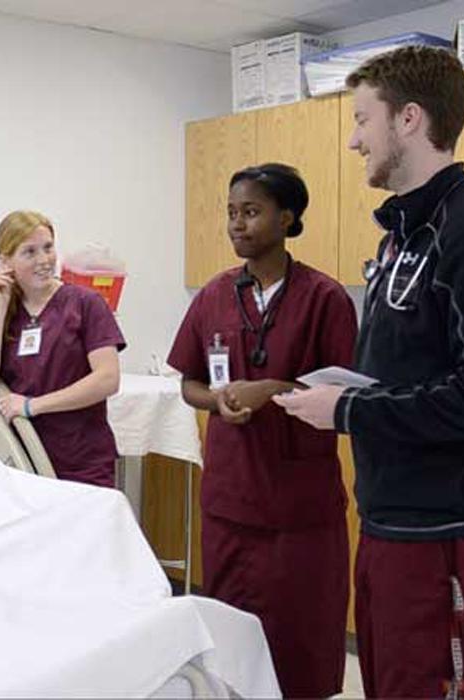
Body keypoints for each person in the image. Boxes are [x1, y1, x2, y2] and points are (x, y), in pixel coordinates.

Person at [275, 46, 464, 698]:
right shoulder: (401, 236)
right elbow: (409, 371)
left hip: (451, 535)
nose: (351, 140)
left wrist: (346, 412)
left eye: (362, 119)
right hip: (391, 522)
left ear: (408, 120)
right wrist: (346, 390)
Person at [167, 163, 357, 697]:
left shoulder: (325, 299)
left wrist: (272, 388)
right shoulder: (213, 296)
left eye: (251, 212)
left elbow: (347, 392)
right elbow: (190, 383)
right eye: (231, 213)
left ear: (287, 218)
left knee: (300, 637)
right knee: (230, 638)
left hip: (299, 507)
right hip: (231, 501)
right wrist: (220, 399)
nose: (237, 225)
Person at [0, 210, 125, 487]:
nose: (44, 260)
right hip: (19, 463)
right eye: (29, 252)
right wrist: (0, 308)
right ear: (5, 261)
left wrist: (32, 406)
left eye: (48, 248)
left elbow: (108, 379)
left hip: (81, 461)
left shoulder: (86, 304)